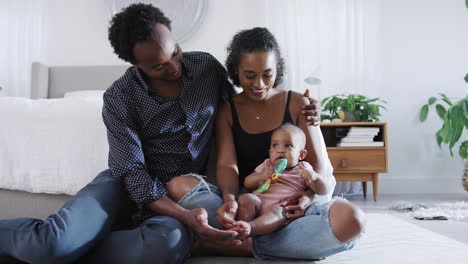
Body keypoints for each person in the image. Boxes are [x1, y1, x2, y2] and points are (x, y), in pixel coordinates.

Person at [0, 4, 320, 264]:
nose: (175, 68)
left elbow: (246, 103)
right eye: (159, 66)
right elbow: (131, 174)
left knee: (163, 246)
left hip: (183, 193)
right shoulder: (120, 97)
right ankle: (59, 247)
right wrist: (183, 215)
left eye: (176, 52)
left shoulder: (206, 69)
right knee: (52, 245)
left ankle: (74, 250)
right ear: (134, 63)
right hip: (124, 188)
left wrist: (300, 110)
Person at [169, 27, 366, 260]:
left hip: (293, 206)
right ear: (236, 70)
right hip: (249, 203)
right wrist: (230, 200)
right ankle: (259, 238)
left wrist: (309, 198)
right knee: (179, 185)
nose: (259, 84)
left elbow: (318, 166)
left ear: (277, 69)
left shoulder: (298, 103)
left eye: (267, 74)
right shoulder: (228, 109)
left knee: (352, 220)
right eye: (249, 75)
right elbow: (226, 165)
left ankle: (238, 243)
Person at [231, 123, 324, 239]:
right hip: (258, 204)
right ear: (270, 152)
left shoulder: (303, 168)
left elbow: (322, 190)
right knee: (246, 198)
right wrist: (260, 176)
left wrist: (315, 177)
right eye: (275, 145)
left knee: (278, 212)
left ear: (301, 154)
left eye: (288, 145)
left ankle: (250, 228)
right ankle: (241, 233)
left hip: (281, 208)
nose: (280, 150)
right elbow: (247, 183)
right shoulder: (267, 165)